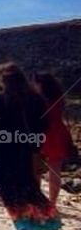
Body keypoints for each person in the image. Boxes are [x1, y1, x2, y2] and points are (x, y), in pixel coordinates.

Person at [0, 64, 62, 230]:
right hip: (28, 151)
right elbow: (44, 126)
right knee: (28, 190)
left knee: (9, 194)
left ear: (2, 80)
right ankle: (28, 229)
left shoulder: (0, 99)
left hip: (4, 153)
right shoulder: (36, 98)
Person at [34, 73, 73, 208]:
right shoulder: (59, 97)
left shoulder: (38, 99)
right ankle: (52, 203)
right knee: (55, 170)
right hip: (58, 133)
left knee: (36, 170)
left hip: (40, 134)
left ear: (40, 84)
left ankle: (38, 202)